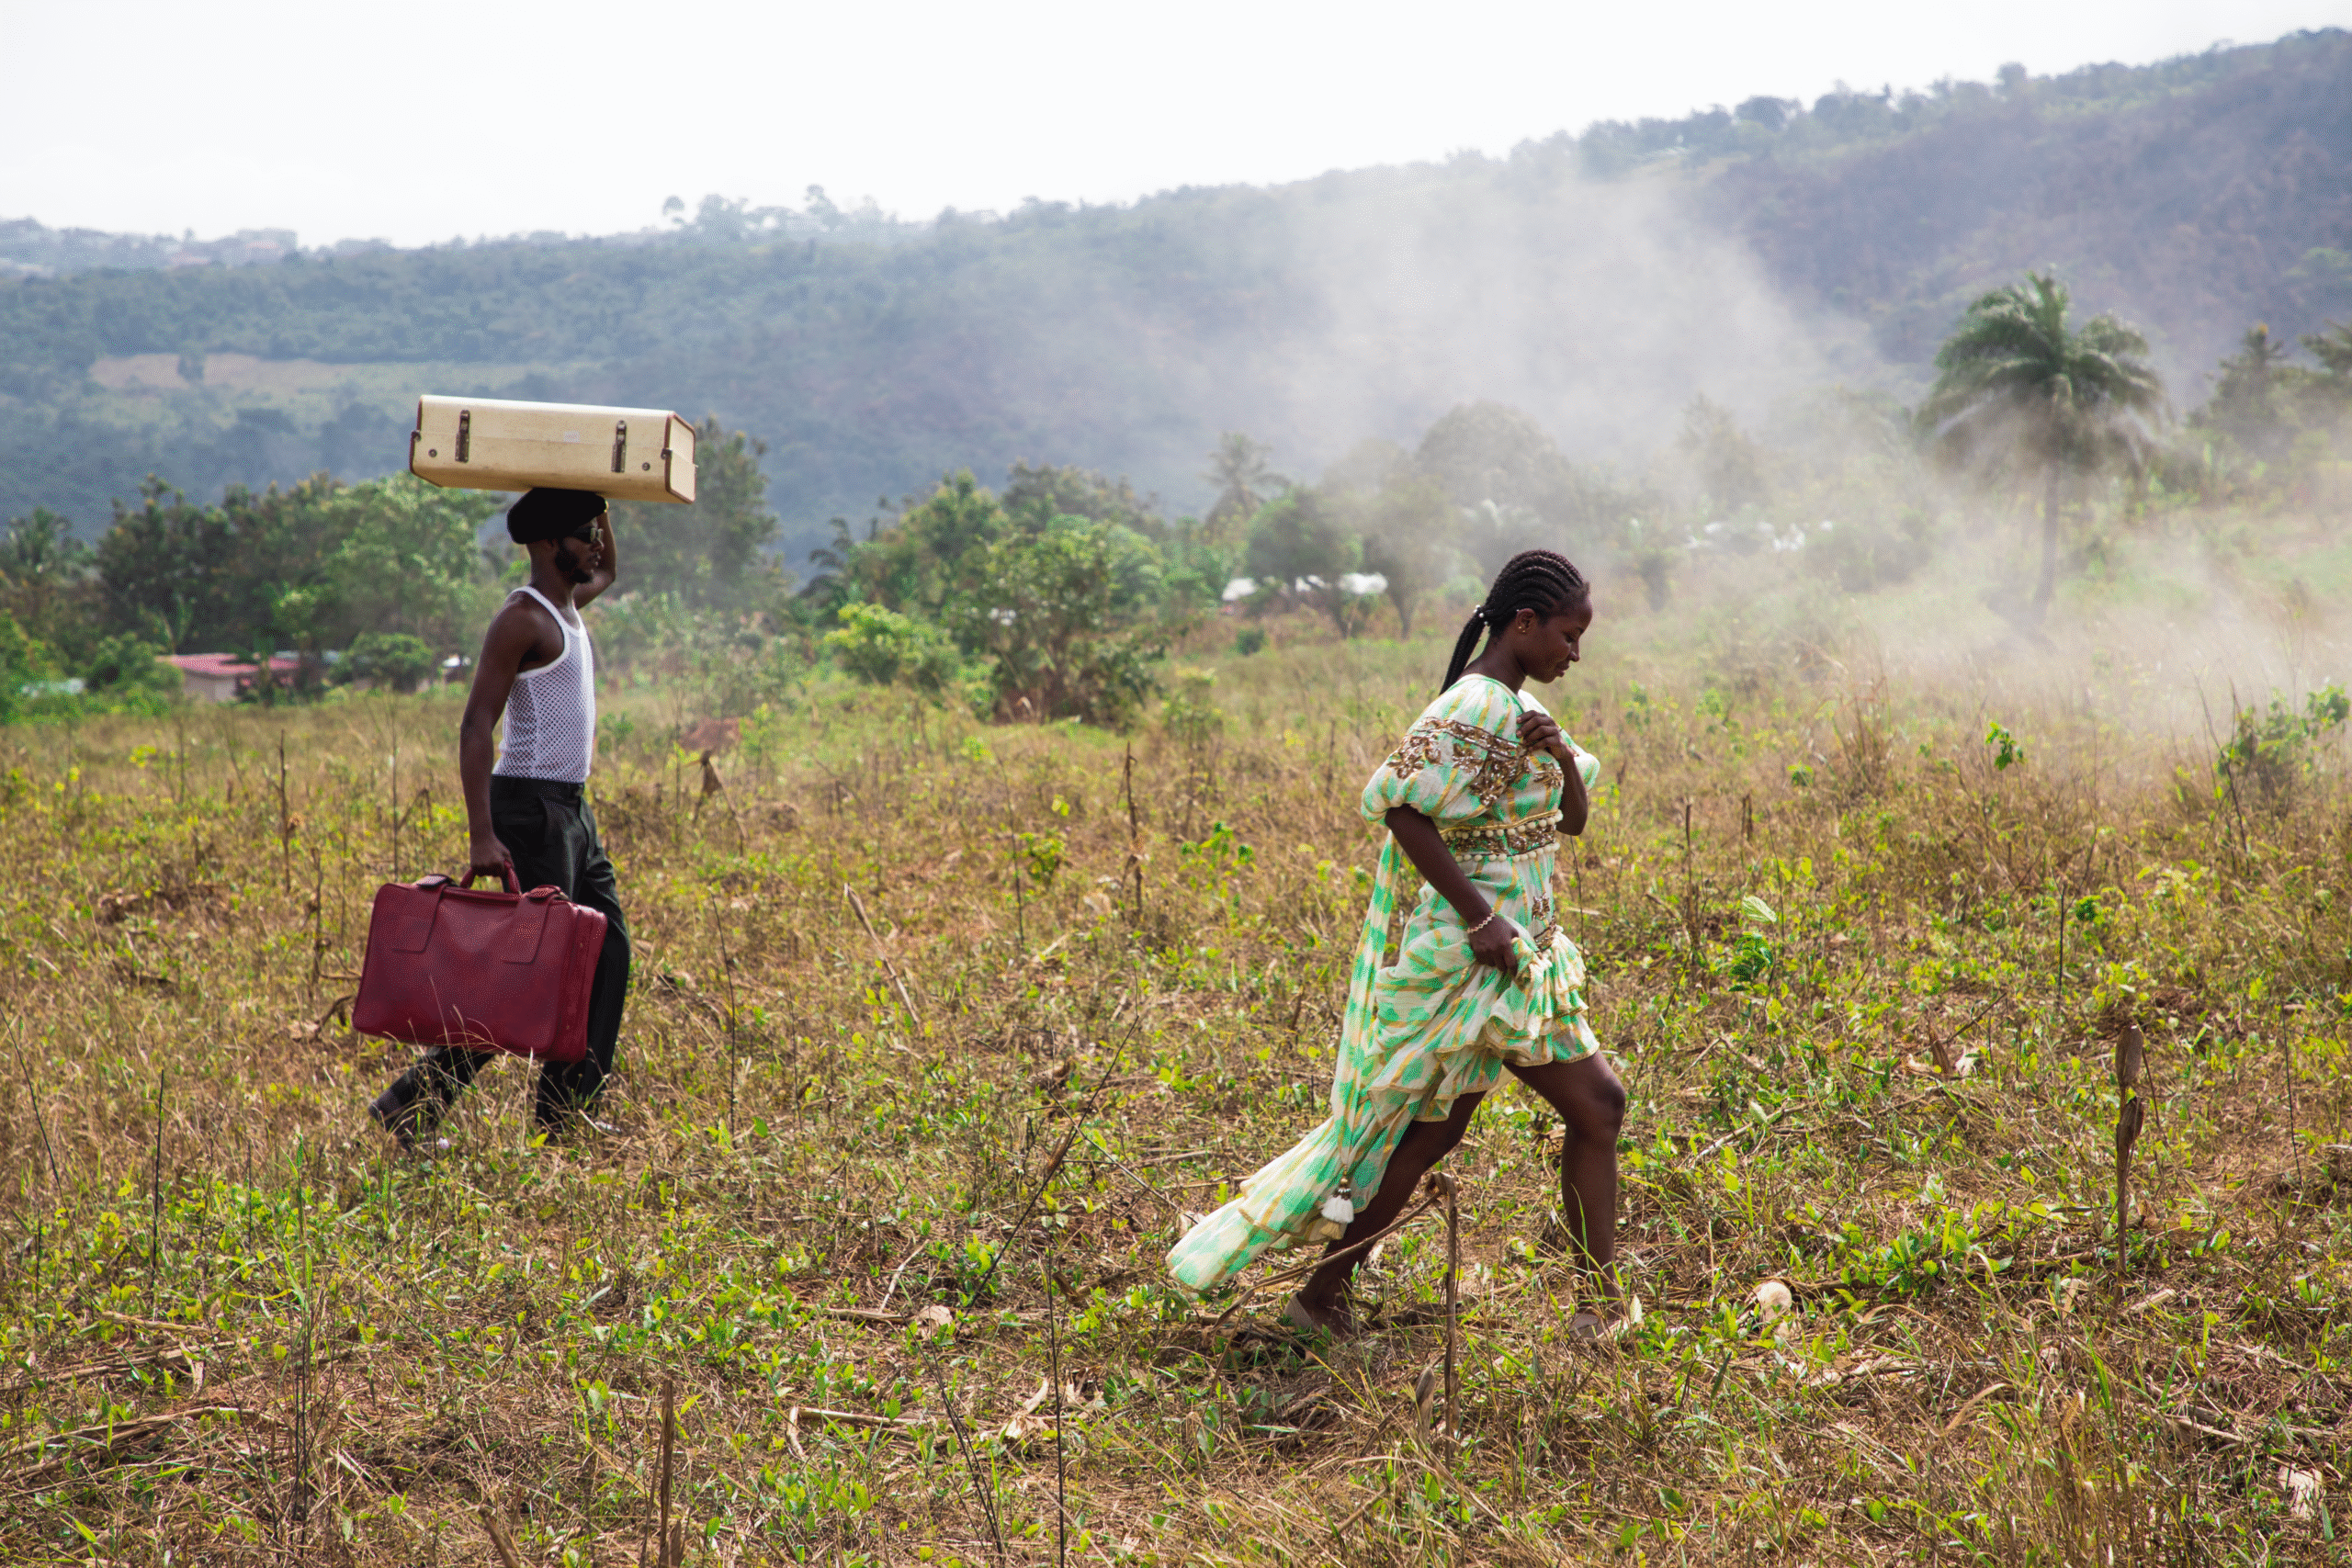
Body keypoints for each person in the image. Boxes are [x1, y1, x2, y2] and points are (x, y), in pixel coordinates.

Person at [1166, 548, 1624, 1334]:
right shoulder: (1474, 705)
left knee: (1430, 1129)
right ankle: (1599, 1307)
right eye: (1569, 635)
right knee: (1591, 1107)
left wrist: (1556, 755)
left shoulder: (1514, 709)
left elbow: (1572, 822)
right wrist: (1482, 917)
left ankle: (1319, 1302)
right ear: (1525, 622)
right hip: (1481, 955)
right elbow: (1402, 811)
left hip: (1523, 951)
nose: (1574, 653)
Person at [368, 487, 632, 1150]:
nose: (594, 543)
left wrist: (598, 491)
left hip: (573, 809)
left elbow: (609, 569)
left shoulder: (572, 602)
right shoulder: (524, 617)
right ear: (547, 544)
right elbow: (475, 725)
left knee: (607, 952)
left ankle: (564, 1109)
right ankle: (417, 1105)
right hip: (528, 808)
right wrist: (482, 833)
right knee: (529, 979)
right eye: (581, 532)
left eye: (593, 530)